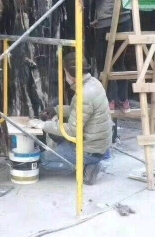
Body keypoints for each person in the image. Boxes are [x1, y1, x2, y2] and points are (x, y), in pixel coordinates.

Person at [59, 0, 132, 112]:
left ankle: (109, 100)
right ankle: (123, 100)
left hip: (108, 27)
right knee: (119, 63)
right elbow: (115, 6)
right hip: (124, 24)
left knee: (104, 63)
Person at [38, 52, 113, 185]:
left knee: (43, 161)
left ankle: (90, 164)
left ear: (70, 74)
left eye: (65, 72)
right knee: (56, 135)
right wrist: (56, 110)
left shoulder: (84, 94)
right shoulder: (94, 83)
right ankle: (90, 162)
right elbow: (77, 110)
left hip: (91, 149)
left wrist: (42, 125)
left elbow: (72, 130)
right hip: (99, 143)